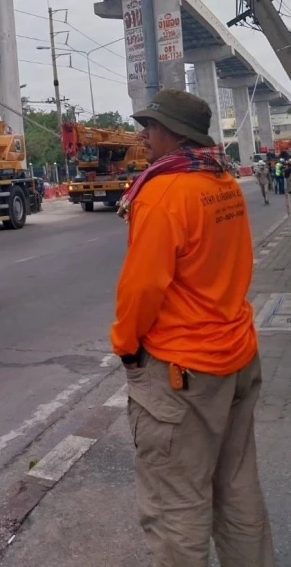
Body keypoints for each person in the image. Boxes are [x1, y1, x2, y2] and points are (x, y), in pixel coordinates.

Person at [111, 89, 274, 567]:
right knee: (238, 487)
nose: (144, 135)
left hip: (184, 373)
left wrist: (124, 346)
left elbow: (142, 289)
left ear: (174, 133)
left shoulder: (163, 192)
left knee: (176, 506)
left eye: (151, 126)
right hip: (238, 355)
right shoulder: (222, 179)